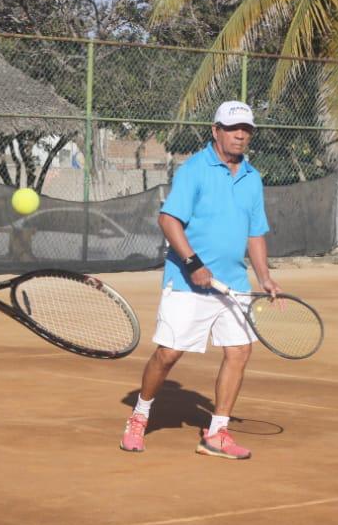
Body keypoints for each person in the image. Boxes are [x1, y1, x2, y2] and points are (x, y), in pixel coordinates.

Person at [119, 100, 279, 460]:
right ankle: (139, 417)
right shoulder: (195, 170)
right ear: (215, 130)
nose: (240, 135)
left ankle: (217, 433)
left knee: (239, 351)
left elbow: (255, 233)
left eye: (246, 130)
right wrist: (193, 264)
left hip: (233, 283)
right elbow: (168, 220)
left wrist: (265, 277)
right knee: (169, 354)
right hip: (187, 281)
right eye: (233, 128)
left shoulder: (252, 178)